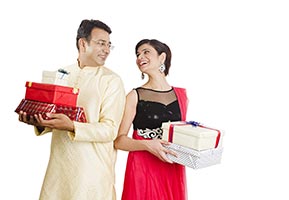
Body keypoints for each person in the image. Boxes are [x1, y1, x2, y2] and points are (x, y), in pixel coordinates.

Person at [18, 19, 126, 200]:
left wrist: (72, 126)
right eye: (101, 43)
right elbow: (54, 113)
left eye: (109, 45)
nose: (107, 50)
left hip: (92, 173)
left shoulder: (111, 81)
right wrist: (39, 121)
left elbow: (110, 130)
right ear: (83, 43)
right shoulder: (62, 74)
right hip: (59, 170)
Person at [114, 39, 189, 200]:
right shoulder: (134, 96)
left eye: (146, 52)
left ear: (162, 58)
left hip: (171, 167)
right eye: (138, 54)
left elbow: (182, 134)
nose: (140, 56)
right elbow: (119, 141)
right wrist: (147, 145)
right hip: (143, 168)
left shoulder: (181, 96)